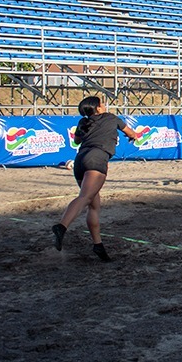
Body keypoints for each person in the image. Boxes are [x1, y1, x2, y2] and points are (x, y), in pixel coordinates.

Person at [51, 95, 138, 261]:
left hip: (79, 161)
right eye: (102, 103)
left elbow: (76, 141)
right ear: (97, 108)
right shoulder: (111, 118)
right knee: (85, 198)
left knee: (94, 204)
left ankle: (98, 246)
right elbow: (131, 133)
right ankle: (61, 226)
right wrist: (133, 136)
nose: (104, 105)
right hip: (96, 159)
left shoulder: (83, 122)